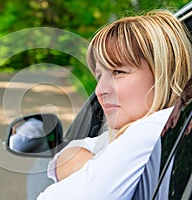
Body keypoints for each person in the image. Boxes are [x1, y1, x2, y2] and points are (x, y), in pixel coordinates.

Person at [37, 10, 192, 199]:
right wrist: (95, 163)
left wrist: (93, 167)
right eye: (100, 76)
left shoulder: (145, 131)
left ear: (165, 74)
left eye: (118, 72)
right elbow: (64, 157)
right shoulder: (131, 132)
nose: (99, 91)